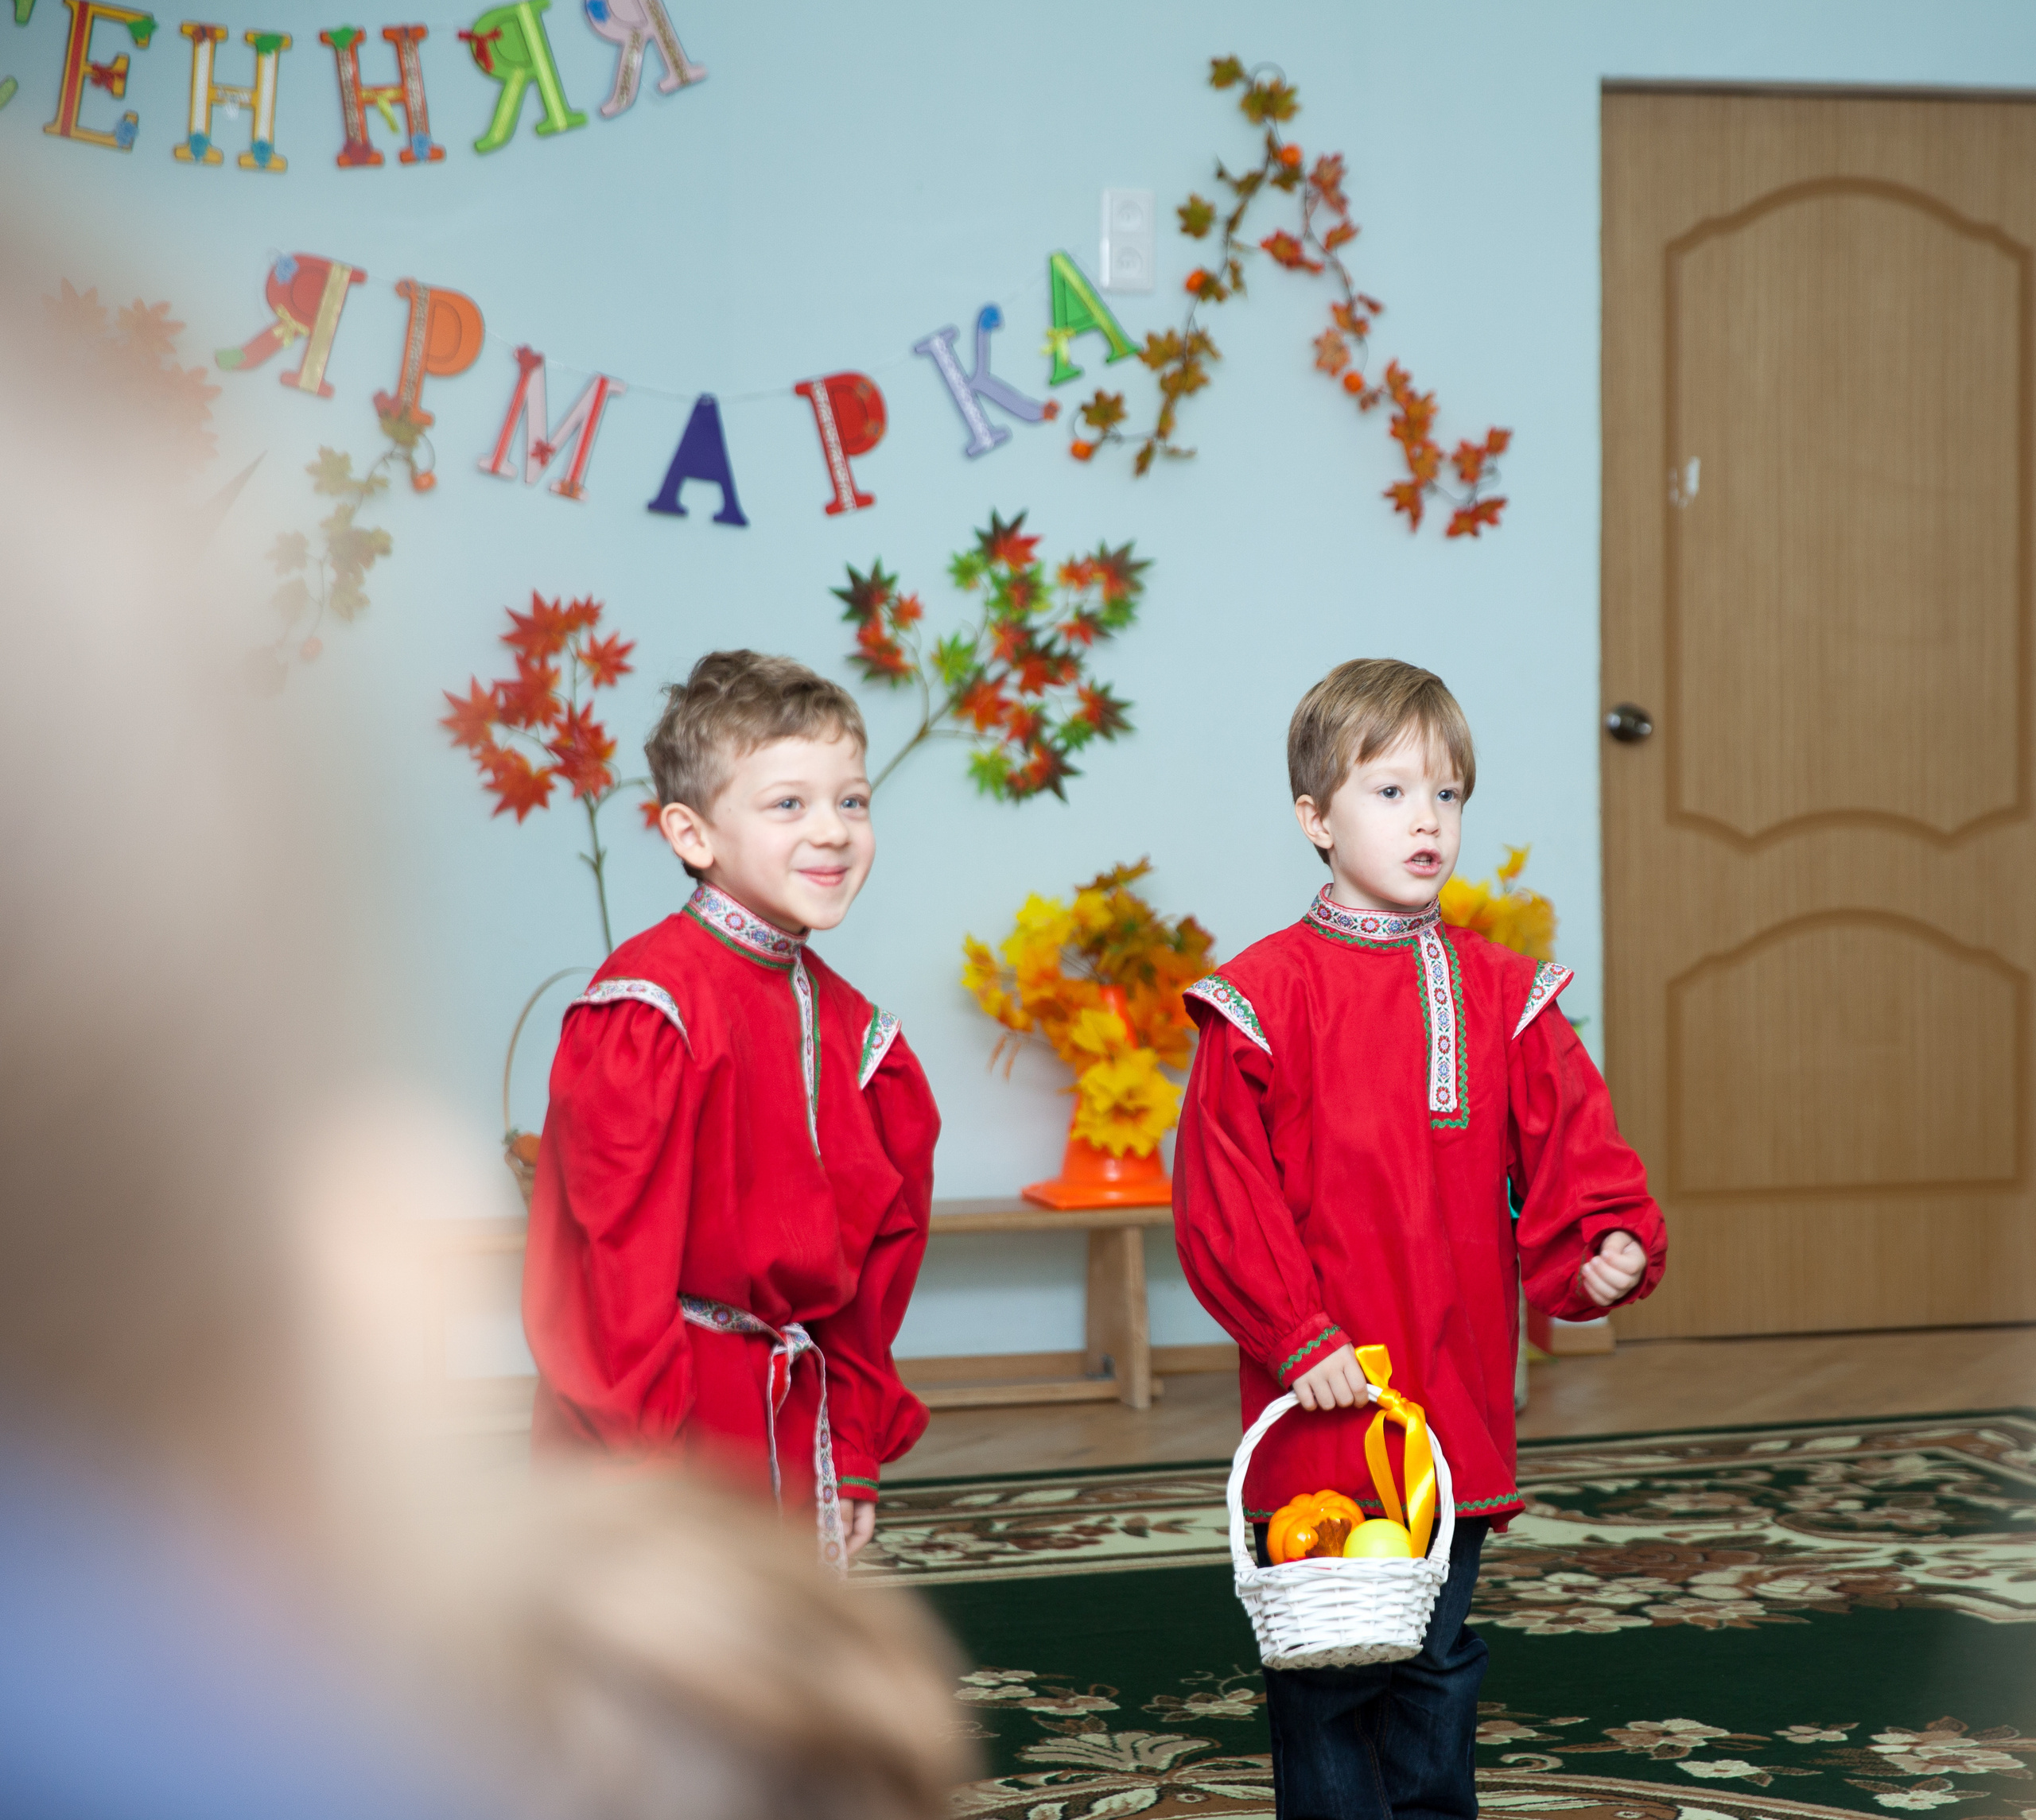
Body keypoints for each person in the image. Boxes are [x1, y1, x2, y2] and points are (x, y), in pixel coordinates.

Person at [1172, 658, 1668, 1820]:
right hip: (1320, 1405)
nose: (1427, 820)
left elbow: (1576, 1155)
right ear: (1315, 817)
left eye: (1448, 795)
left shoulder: (1507, 994)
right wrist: (1297, 1335)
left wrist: (1605, 1245)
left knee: (1439, 1661)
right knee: (1329, 1682)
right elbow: (1220, 1194)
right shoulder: (1260, 996)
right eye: (1390, 792)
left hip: (1452, 1406)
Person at [522, 650, 937, 1566]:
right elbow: (608, 1273)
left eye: (852, 801)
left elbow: (871, 1283)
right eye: (788, 804)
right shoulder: (646, 1011)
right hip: (657, 1425)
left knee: (775, 1685)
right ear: (692, 834)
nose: (831, 831)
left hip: (796, 1421)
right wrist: (644, 1469)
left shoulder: (864, 1040)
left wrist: (853, 1447)